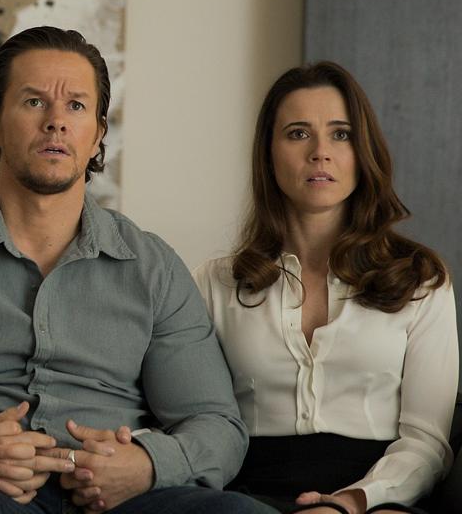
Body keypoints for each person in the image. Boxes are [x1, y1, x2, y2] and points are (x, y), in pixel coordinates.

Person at [0, 26, 275, 513]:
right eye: (35, 102)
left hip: (123, 501)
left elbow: (215, 425)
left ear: (98, 135)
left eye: (76, 106)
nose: (56, 122)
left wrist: (146, 465)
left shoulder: (153, 268)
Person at [193, 61, 458, 514]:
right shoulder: (213, 284)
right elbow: (190, 417)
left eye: (341, 134)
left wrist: (352, 501)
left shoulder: (421, 279)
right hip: (245, 498)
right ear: (268, 153)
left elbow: (427, 441)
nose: (320, 152)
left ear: (364, 150)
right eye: (298, 133)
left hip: (379, 499)